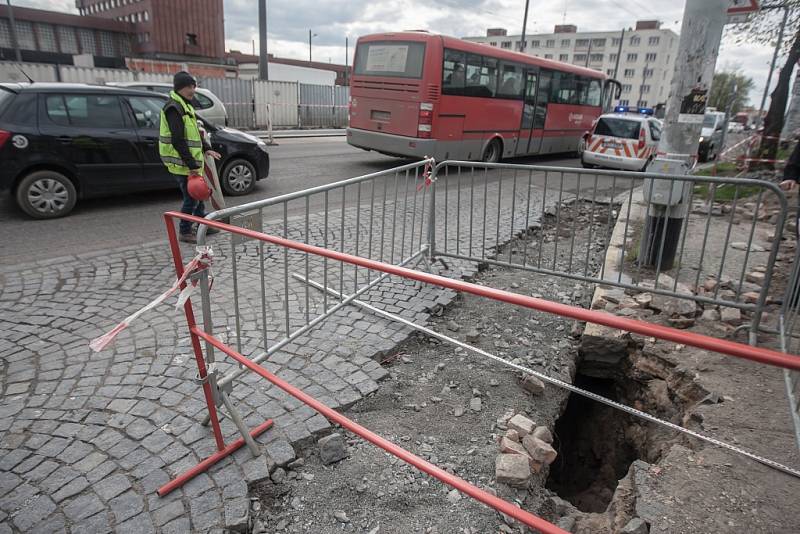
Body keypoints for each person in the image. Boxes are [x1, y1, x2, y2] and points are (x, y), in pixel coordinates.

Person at [159, 71, 222, 243]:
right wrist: (191, 164)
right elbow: (178, 140)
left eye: (193, 86)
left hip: (190, 163)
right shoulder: (174, 108)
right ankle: (185, 231)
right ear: (179, 87)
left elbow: (195, 132)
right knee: (191, 199)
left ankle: (203, 225)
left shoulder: (185, 105)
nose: (192, 89)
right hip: (182, 164)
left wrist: (207, 148)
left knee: (197, 194)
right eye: (188, 86)